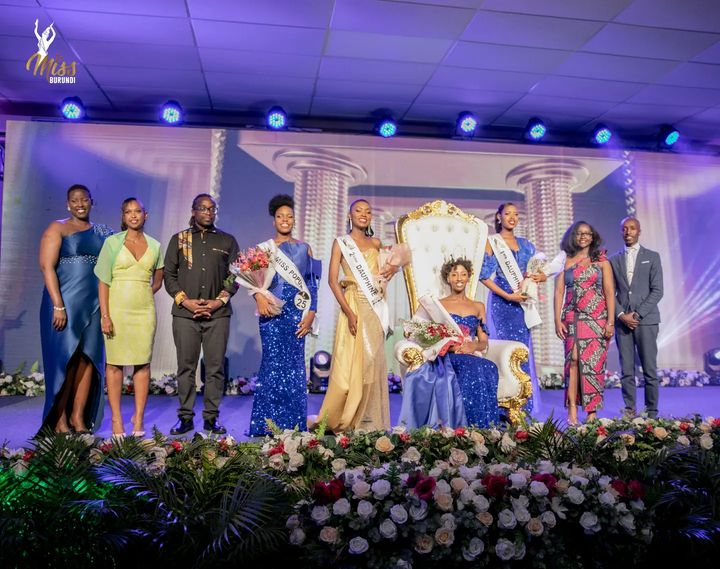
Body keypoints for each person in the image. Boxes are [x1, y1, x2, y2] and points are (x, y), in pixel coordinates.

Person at [314, 199, 396, 432]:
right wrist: (348, 312)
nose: (364, 214)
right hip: (352, 305)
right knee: (350, 363)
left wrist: (391, 270)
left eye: (368, 212)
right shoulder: (341, 243)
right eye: (358, 211)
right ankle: (345, 417)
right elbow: (332, 281)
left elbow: (383, 275)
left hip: (374, 307)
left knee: (371, 364)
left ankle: (368, 419)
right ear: (350, 215)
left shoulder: (377, 243)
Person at [38, 184, 112, 433]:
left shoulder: (102, 232)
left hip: (93, 305)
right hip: (64, 304)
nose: (80, 204)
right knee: (65, 360)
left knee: (88, 360)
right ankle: (59, 419)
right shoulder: (57, 228)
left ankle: (79, 419)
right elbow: (47, 267)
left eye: (84, 199)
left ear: (92, 201)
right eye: (74, 200)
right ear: (68, 204)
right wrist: (58, 304)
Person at [163, 193, 239, 435]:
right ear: (193, 211)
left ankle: (211, 418)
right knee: (186, 367)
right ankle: (185, 418)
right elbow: (169, 275)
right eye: (203, 208)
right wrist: (187, 302)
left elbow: (235, 276)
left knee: (215, 368)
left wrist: (219, 301)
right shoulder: (180, 239)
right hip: (186, 315)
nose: (208, 212)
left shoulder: (227, 241)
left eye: (212, 209)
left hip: (218, 315)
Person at [248, 194, 320, 436]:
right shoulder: (263, 249)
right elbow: (253, 283)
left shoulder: (304, 248)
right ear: (274, 220)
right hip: (271, 314)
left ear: (294, 220)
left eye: (289, 216)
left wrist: (312, 312)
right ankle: (265, 425)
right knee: (271, 367)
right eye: (280, 216)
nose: (285, 220)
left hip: (297, 314)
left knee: (295, 369)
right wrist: (258, 297)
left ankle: (294, 425)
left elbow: (313, 284)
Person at [399, 258, 498, 429]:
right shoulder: (439, 305)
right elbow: (419, 330)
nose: (459, 278)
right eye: (454, 274)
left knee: (489, 367)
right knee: (470, 369)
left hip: (470, 354)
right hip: (447, 357)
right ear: (448, 278)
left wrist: (472, 346)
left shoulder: (478, 306)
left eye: (463, 274)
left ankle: (484, 429)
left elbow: (483, 342)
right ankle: (463, 428)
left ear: (469, 277)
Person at [95, 198, 164, 437]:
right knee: (114, 364)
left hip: (144, 312)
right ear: (123, 217)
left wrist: (140, 293)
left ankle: (138, 421)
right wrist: (105, 315)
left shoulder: (155, 245)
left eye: (138, 211)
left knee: (142, 364)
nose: (133, 215)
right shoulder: (112, 243)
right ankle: (116, 421)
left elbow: (157, 281)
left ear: (146, 215)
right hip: (116, 311)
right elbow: (103, 282)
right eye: (128, 212)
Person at [480, 203, 545, 412]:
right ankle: (505, 405)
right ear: (499, 217)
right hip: (503, 302)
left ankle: (524, 406)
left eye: (516, 214)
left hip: (523, 303)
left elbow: (535, 272)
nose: (512, 217)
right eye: (507, 214)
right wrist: (508, 295)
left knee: (523, 351)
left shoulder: (527, 245)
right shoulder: (492, 242)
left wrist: (539, 277)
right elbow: (483, 275)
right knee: (506, 351)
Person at [554, 221, 615, 424]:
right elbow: (559, 292)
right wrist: (556, 320)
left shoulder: (601, 260)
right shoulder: (566, 260)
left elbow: (608, 292)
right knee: (572, 361)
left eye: (587, 233)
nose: (583, 237)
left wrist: (610, 322)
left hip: (597, 319)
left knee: (593, 364)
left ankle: (592, 411)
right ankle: (572, 408)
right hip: (572, 317)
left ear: (592, 236)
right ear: (573, 236)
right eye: (579, 233)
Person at [610, 217, 663, 419]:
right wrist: (622, 315)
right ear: (621, 232)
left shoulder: (652, 256)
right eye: (624, 229)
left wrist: (638, 314)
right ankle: (630, 410)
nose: (628, 232)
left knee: (649, 369)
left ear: (639, 231)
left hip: (646, 321)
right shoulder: (613, 260)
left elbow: (658, 290)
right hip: (623, 322)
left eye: (632, 228)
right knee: (626, 370)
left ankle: (651, 412)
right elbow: (610, 292)